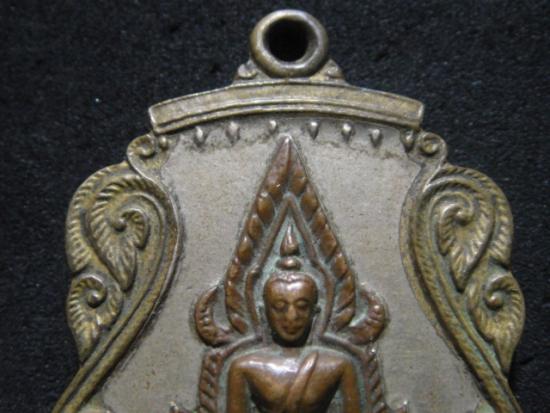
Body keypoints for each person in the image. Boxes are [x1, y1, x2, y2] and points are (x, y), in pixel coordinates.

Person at [226, 271, 361, 413]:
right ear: (264, 312)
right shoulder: (245, 367)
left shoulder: (338, 366)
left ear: (314, 312)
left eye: (302, 306)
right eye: (279, 307)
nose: (292, 316)